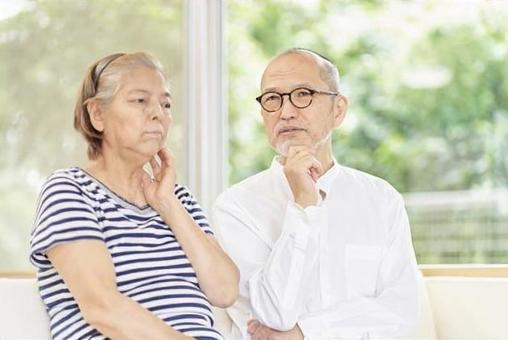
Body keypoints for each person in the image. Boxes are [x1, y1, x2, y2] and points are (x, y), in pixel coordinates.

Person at [29, 52, 239, 340]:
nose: (158, 114)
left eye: (166, 104)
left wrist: (168, 205)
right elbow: (104, 308)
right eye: (140, 101)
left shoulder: (177, 197)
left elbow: (225, 290)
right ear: (97, 114)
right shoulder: (70, 190)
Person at [213, 48, 419, 340]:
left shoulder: (382, 200)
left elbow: (402, 314)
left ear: (338, 110)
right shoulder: (235, 207)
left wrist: (305, 334)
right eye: (272, 99)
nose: (285, 112)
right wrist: (303, 206)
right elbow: (271, 316)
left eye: (303, 94)